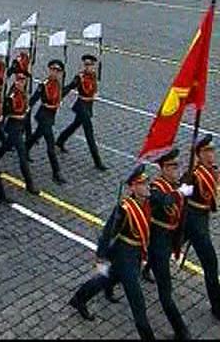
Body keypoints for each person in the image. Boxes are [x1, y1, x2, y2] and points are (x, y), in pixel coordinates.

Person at [69, 164, 155, 341]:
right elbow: (107, 234)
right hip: (124, 258)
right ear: (132, 187)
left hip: (134, 254)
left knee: (105, 279)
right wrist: (100, 258)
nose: (147, 185)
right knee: (137, 301)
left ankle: (79, 299)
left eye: (147, 182)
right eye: (142, 183)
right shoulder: (124, 210)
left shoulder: (145, 202)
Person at [146, 148, 193, 339]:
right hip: (156, 240)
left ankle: (140, 270)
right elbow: (163, 200)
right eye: (172, 166)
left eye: (177, 165)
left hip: (168, 239)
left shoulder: (175, 183)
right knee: (166, 292)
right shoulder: (156, 187)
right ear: (162, 169)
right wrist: (180, 193)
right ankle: (181, 331)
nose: (176, 169)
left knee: (123, 272)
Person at [182, 135, 220, 319]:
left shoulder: (211, 170)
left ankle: (149, 266)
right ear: (198, 155)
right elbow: (179, 193)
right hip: (193, 220)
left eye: (212, 149)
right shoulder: (194, 174)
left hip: (202, 217)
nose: (212, 153)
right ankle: (217, 306)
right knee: (211, 263)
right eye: (207, 150)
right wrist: (184, 189)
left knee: (162, 252)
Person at [55, 54, 108, 171]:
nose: (88, 67)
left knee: (74, 125)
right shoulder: (80, 77)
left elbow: (92, 88)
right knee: (89, 134)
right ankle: (98, 161)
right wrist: (58, 98)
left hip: (88, 106)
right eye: (86, 64)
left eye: (90, 65)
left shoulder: (93, 75)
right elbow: (69, 88)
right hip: (82, 106)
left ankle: (60, 140)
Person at [0, 71, 40, 195]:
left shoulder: (23, 93)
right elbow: (5, 112)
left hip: (20, 127)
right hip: (14, 127)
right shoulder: (12, 96)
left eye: (23, 81)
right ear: (15, 81)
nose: (21, 83)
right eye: (19, 80)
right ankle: (29, 184)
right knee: (22, 154)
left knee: (6, 146)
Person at [26, 59, 66, 184]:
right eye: (53, 70)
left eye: (58, 71)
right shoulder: (44, 84)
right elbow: (33, 100)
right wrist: (25, 111)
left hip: (50, 116)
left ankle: (24, 149)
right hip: (43, 116)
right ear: (49, 70)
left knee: (36, 135)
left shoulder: (58, 84)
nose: (55, 73)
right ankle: (56, 172)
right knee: (50, 144)